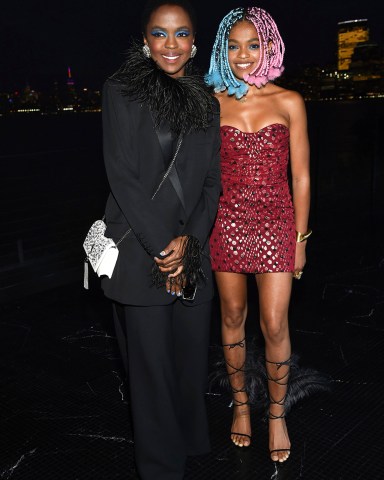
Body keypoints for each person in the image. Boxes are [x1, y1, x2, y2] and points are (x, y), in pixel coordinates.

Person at [100, 1, 221, 478]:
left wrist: (190, 241)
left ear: (194, 43)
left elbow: (211, 182)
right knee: (150, 372)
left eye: (181, 34)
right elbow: (123, 177)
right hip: (140, 251)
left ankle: (190, 441)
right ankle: (160, 466)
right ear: (146, 42)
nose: (171, 44)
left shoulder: (208, 101)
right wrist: (162, 248)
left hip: (192, 254)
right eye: (160, 33)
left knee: (189, 361)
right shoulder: (120, 90)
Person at [205, 7, 311, 463]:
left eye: (253, 45)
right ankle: (242, 405)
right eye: (234, 45)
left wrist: (301, 240)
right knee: (231, 316)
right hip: (226, 222)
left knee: (273, 323)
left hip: (276, 223)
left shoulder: (289, 101)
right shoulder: (211, 101)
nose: (243, 55)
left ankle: (277, 413)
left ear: (268, 46)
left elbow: (302, 176)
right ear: (222, 50)